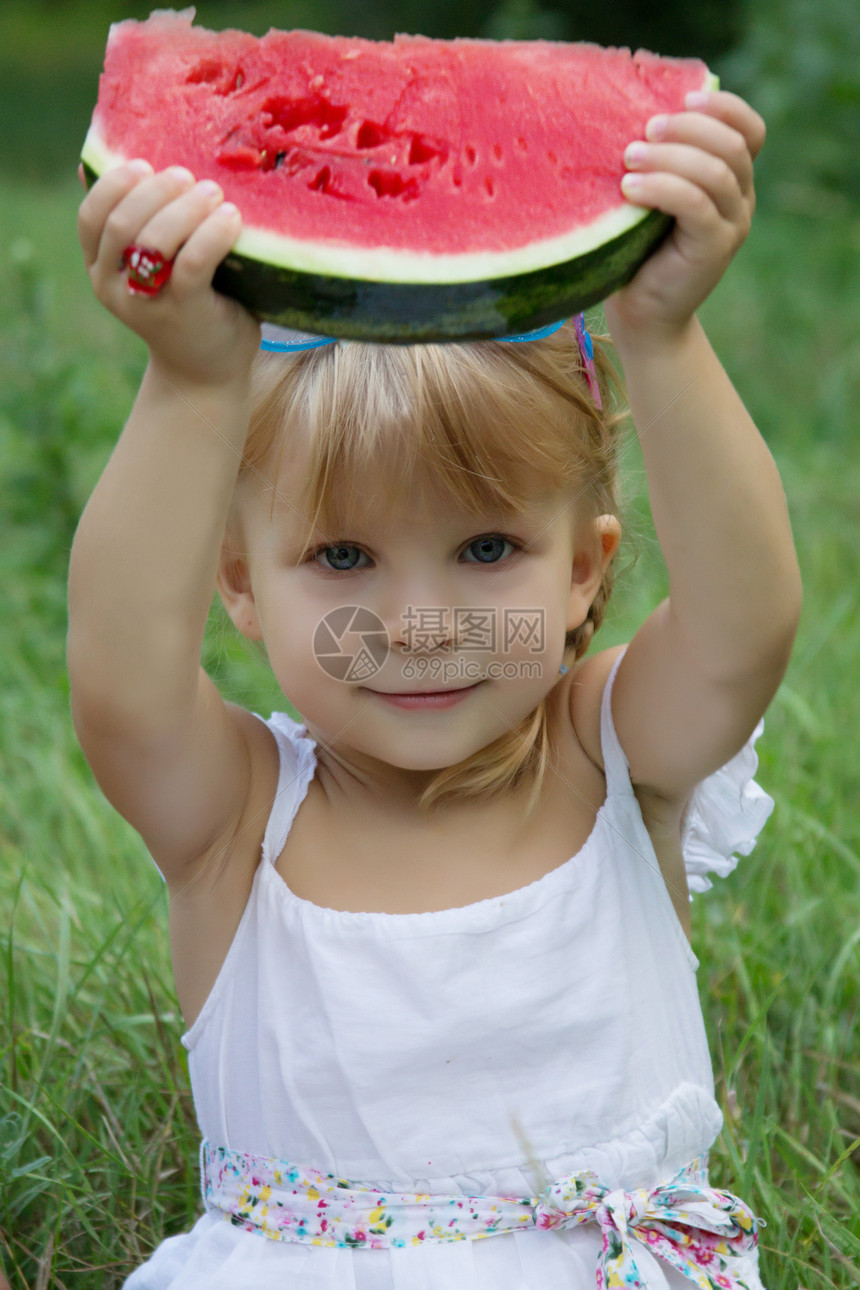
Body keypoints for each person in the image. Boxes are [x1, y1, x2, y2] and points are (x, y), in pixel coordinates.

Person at [70, 88, 799, 1290]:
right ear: (241, 588)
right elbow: (122, 680)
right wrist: (193, 384)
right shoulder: (238, 821)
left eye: (486, 551)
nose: (415, 626)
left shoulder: (609, 755)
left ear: (584, 572)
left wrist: (663, 335)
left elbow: (741, 629)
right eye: (342, 559)